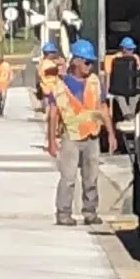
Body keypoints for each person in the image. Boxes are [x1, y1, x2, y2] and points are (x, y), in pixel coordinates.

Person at [46, 39, 117, 227]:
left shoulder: (94, 82)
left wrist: (110, 133)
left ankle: (90, 211)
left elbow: (103, 108)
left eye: (91, 62)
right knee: (68, 178)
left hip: (92, 135)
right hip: (71, 135)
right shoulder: (61, 85)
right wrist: (51, 141)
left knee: (91, 177)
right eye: (87, 62)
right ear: (76, 61)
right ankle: (63, 213)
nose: (90, 66)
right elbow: (53, 114)